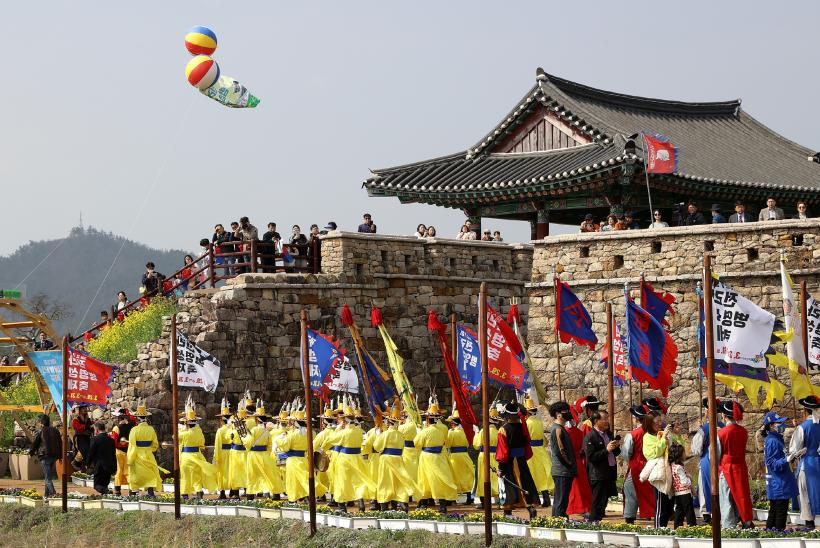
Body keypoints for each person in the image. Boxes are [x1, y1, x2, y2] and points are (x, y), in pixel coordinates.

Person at [496, 401, 539, 519]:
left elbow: (503, 450)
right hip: (521, 460)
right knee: (525, 483)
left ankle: (507, 512)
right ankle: (530, 508)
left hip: (509, 461)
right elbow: (526, 444)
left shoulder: (503, 429)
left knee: (508, 484)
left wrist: (500, 468)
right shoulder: (523, 427)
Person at [414, 399, 456, 513]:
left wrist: (419, 432)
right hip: (439, 456)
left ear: (428, 419)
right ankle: (442, 505)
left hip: (427, 457)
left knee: (424, 479)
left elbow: (417, 444)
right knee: (439, 479)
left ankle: (423, 503)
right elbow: (445, 442)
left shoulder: (425, 431)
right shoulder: (441, 431)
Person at [331, 401, 374, 512]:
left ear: (345, 421)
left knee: (342, 481)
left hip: (345, 458)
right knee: (358, 481)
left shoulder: (344, 432)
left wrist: (338, 429)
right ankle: (361, 504)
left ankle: (342, 507)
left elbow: (332, 440)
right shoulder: (360, 431)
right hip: (357, 457)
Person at [717, 400, 753, 528]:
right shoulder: (744, 431)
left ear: (724, 416)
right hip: (741, 467)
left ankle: (729, 527)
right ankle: (746, 522)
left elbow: (715, 455)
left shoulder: (721, 433)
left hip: (727, 468)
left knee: (726, 499)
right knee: (742, 496)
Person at [373, 402, 415, 511]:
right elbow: (402, 448)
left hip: (386, 459)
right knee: (398, 481)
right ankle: (402, 503)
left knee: (385, 481)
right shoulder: (401, 435)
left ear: (389, 422)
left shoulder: (385, 434)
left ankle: (384, 505)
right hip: (398, 459)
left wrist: (377, 436)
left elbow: (377, 447)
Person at [761, 411, 798, 530]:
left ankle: (770, 534)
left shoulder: (776, 438)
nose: (783, 425)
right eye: (779, 423)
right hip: (779, 483)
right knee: (780, 512)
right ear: (771, 425)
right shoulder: (772, 440)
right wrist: (786, 459)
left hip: (780, 482)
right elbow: (772, 464)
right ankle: (776, 534)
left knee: (775, 511)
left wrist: (790, 457)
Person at [690, 398, 724, 524]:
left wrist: (701, 430)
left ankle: (706, 512)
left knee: (704, 485)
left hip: (707, 460)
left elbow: (696, 449)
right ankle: (717, 510)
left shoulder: (705, 428)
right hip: (721, 461)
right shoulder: (723, 426)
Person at [241, 401, 284, 499]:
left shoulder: (254, 430)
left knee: (252, 475)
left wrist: (243, 438)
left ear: (257, 419)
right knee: (268, 474)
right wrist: (266, 453)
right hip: (264, 454)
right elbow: (269, 444)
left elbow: (248, 443)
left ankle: (251, 495)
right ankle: (275, 493)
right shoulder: (267, 431)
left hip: (253, 455)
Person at [583, 410, 621, 522]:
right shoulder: (590, 437)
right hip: (598, 474)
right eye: (604, 419)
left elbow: (615, 453)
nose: (607, 421)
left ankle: (598, 521)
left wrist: (616, 447)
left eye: (607, 418)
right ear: (596, 421)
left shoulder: (608, 434)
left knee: (604, 501)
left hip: (609, 472)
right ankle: (593, 522)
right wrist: (607, 450)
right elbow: (591, 457)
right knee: (597, 502)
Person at [790, 395, 820, 529]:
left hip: (808, 464)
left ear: (805, 411)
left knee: (805, 494)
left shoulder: (803, 427)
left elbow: (794, 450)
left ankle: (809, 526)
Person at [178, 398, 218, 499]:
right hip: (197, 455)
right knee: (197, 475)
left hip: (186, 456)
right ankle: (199, 493)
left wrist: (182, 429)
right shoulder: (199, 431)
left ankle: (185, 494)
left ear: (186, 422)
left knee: (185, 476)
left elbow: (175, 438)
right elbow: (202, 444)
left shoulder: (183, 433)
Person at [622, 404, 655, 523]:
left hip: (636, 466)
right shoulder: (653, 431)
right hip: (652, 465)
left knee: (629, 490)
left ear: (635, 419)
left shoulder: (633, 434)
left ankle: (629, 517)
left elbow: (626, 453)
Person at [642, 410, 673, 527]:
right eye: (657, 421)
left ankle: (663, 528)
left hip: (668, 471)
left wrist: (672, 436)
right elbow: (655, 453)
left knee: (669, 505)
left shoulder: (661, 433)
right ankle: (658, 529)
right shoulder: (647, 437)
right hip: (658, 474)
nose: (660, 424)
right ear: (650, 423)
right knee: (661, 504)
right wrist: (663, 438)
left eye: (661, 421)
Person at [126, 401, 162, 497]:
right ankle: (150, 492)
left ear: (137, 419)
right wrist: (149, 450)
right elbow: (155, 444)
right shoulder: (151, 429)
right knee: (150, 473)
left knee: (135, 474)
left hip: (137, 455)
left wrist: (130, 458)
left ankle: (133, 492)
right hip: (148, 454)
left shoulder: (134, 430)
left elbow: (132, 445)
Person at [548, 401, 576, 518]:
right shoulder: (557, 429)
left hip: (564, 470)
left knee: (562, 500)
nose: (568, 413)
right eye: (565, 411)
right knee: (560, 501)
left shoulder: (561, 428)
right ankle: (558, 521)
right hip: (562, 470)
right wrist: (569, 464)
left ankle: (560, 519)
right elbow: (560, 451)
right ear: (558, 414)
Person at [524, 395, 553, 507]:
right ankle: (546, 498)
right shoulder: (539, 422)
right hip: (541, 450)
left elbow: (524, 438)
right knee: (542, 474)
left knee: (532, 474)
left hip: (531, 451)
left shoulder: (526, 423)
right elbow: (544, 440)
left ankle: (535, 499)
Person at [474, 406, 502, 507]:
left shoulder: (483, 431)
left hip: (484, 456)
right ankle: (499, 500)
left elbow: (476, 445)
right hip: (495, 455)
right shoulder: (498, 432)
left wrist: (476, 433)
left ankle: (484, 502)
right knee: (495, 477)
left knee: (483, 477)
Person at [446, 408, 475, 505]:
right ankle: (469, 497)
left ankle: (453, 499)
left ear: (454, 423)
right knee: (467, 476)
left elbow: (448, 444)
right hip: (465, 455)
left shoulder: (452, 432)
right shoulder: (466, 432)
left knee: (454, 476)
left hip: (454, 457)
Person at [565, 408, 591, 517]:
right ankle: (585, 507)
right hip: (578, 461)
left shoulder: (564, 431)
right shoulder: (579, 432)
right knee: (582, 485)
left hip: (568, 461)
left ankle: (576, 507)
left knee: (572, 487)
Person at [29, 413, 61, 498]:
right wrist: (60, 456)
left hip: (44, 456)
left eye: (39, 422)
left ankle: (54, 494)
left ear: (41, 422)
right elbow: (60, 443)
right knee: (48, 476)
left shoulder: (41, 431)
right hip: (54, 456)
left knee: (48, 478)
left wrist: (31, 452)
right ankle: (46, 496)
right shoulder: (56, 430)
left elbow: (35, 443)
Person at [110, 407, 136, 496]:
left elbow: (113, 442)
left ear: (119, 418)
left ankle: (117, 491)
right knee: (129, 471)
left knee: (119, 471)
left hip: (119, 452)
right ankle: (132, 491)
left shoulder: (116, 428)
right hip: (129, 451)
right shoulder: (132, 427)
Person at [85, 421, 116, 495]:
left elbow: (91, 453)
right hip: (109, 465)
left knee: (97, 485)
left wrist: (88, 463)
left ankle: (107, 492)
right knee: (105, 484)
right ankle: (106, 494)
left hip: (99, 466)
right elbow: (113, 454)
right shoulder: (111, 440)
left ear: (97, 429)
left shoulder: (95, 439)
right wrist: (115, 466)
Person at [212, 398, 235, 499]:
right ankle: (233, 490)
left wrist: (216, 457)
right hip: (233, 452)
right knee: (232, 471)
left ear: (222, 419)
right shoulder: (234, 428)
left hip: (223, 453)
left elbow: (218, 445)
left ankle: (222, 493)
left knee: (222, 473)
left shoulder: (220, 431)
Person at [669, 443, 695, 527]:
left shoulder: (673, 466)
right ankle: (692, 527)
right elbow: (684, 482)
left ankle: (677, 527)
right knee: (689, 512)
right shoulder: (679, 467)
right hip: (685, 492)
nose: (685, 454)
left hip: (678, 493)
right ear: (679, 455)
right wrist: (689, 478)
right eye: (684, 452)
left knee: (679, 511)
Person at [71, 405, 94, 469]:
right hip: (79, 437)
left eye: (86, 408)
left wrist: (92, 426)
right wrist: (87, 426)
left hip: (87, 437)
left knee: (89, 450)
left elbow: (92, 426)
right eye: (83, 408)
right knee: (83, 450)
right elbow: (77, 427)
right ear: (80, 410)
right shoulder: (76, 419)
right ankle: (75, 462)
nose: (85, 409)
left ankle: (87, 466)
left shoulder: (88, 419)